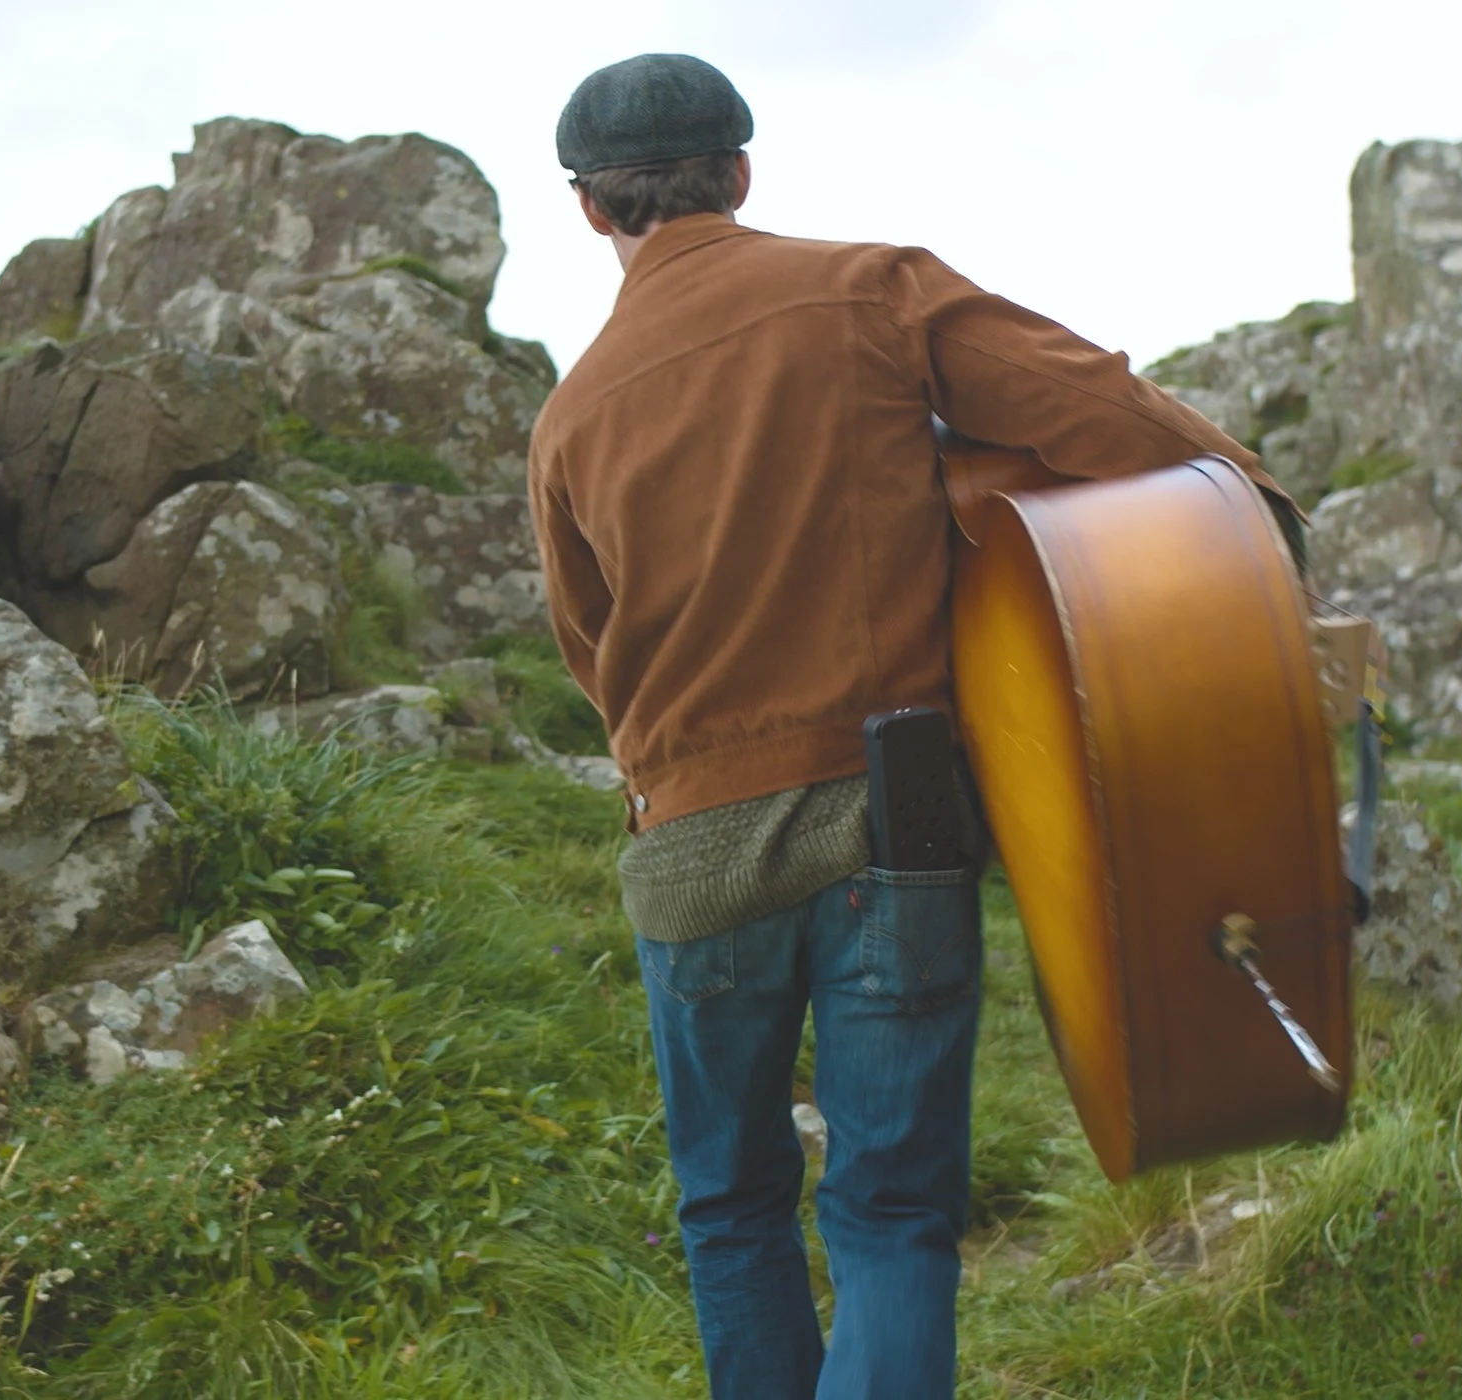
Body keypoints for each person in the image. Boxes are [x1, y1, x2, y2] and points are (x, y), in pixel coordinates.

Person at [528, 53, 1288, 1399]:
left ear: (592, 211)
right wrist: (1251, 494)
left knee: (730, 1209)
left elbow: (595, 658)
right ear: (743, 174)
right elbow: (1098, 411)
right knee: (890, 1212)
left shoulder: (570, 419)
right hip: (899, 821)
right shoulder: (871, 291)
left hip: (692, 850)